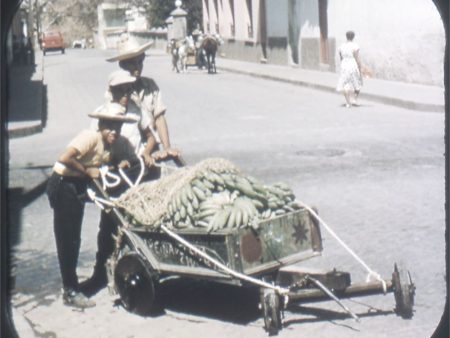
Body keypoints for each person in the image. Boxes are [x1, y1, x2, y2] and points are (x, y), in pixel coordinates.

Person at [46, 99, 138, 309]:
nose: (114, 130)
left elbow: (103, 161)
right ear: (101, 125)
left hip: (78, 185)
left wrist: (120, 164)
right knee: (68, 238)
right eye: (110, 126)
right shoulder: (90, 137)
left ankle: (92, 278)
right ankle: (70, 290)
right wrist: (86, 171)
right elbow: (64, 157)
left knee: (78, 236)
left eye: (118, 126)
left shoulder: (111, 144)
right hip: (64, 184)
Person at [336, 31, 363, 108]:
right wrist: (360, 67)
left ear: (346, 37)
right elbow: (357, 58)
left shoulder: (341, 46)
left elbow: (341, 58)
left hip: (344, 65)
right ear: (353, 37)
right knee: (358, 82)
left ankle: (348, 103)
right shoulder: (355, 46)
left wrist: (343, 65)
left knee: (345, 84)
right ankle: (354, 99)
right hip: (352, 65)